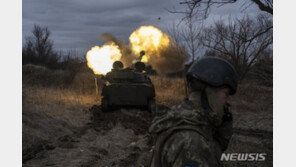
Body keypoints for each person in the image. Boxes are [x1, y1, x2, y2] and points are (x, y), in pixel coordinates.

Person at [148, 56, 238, 167]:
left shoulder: (183, 119)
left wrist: (224, 123)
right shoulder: (192, 144)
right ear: (209, 93)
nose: (229, 102)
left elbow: (217, 148)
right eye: (226, 94)